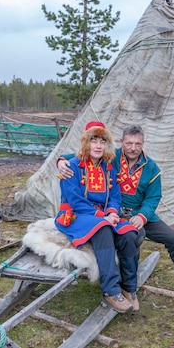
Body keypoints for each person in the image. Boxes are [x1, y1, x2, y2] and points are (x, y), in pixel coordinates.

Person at [58, 124, 174, 300]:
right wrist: (61, 160)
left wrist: (142, 215)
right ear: (122, 142)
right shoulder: (111, 156)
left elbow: (154, 197)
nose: (133, 148)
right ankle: (126, 282)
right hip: (115, 212)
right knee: (134, 237)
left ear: (143, 143)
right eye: (129, 143)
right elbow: (82, 155)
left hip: (141, 213)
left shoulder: (152, 168)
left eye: (137, 144)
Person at [55, 121, 141, 313]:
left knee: (128, 235)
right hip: (76, 215)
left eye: (102, 141)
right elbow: (75, 200)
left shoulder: (108, 169)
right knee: (102, 227)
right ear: (86, 143)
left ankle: (128, 287)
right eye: (93, 140)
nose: (98, 145)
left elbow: (115, 196)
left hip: (102, 216)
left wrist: (111, 212)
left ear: (107, 145)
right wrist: (102, 215)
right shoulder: (72, 166)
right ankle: (111, 290)